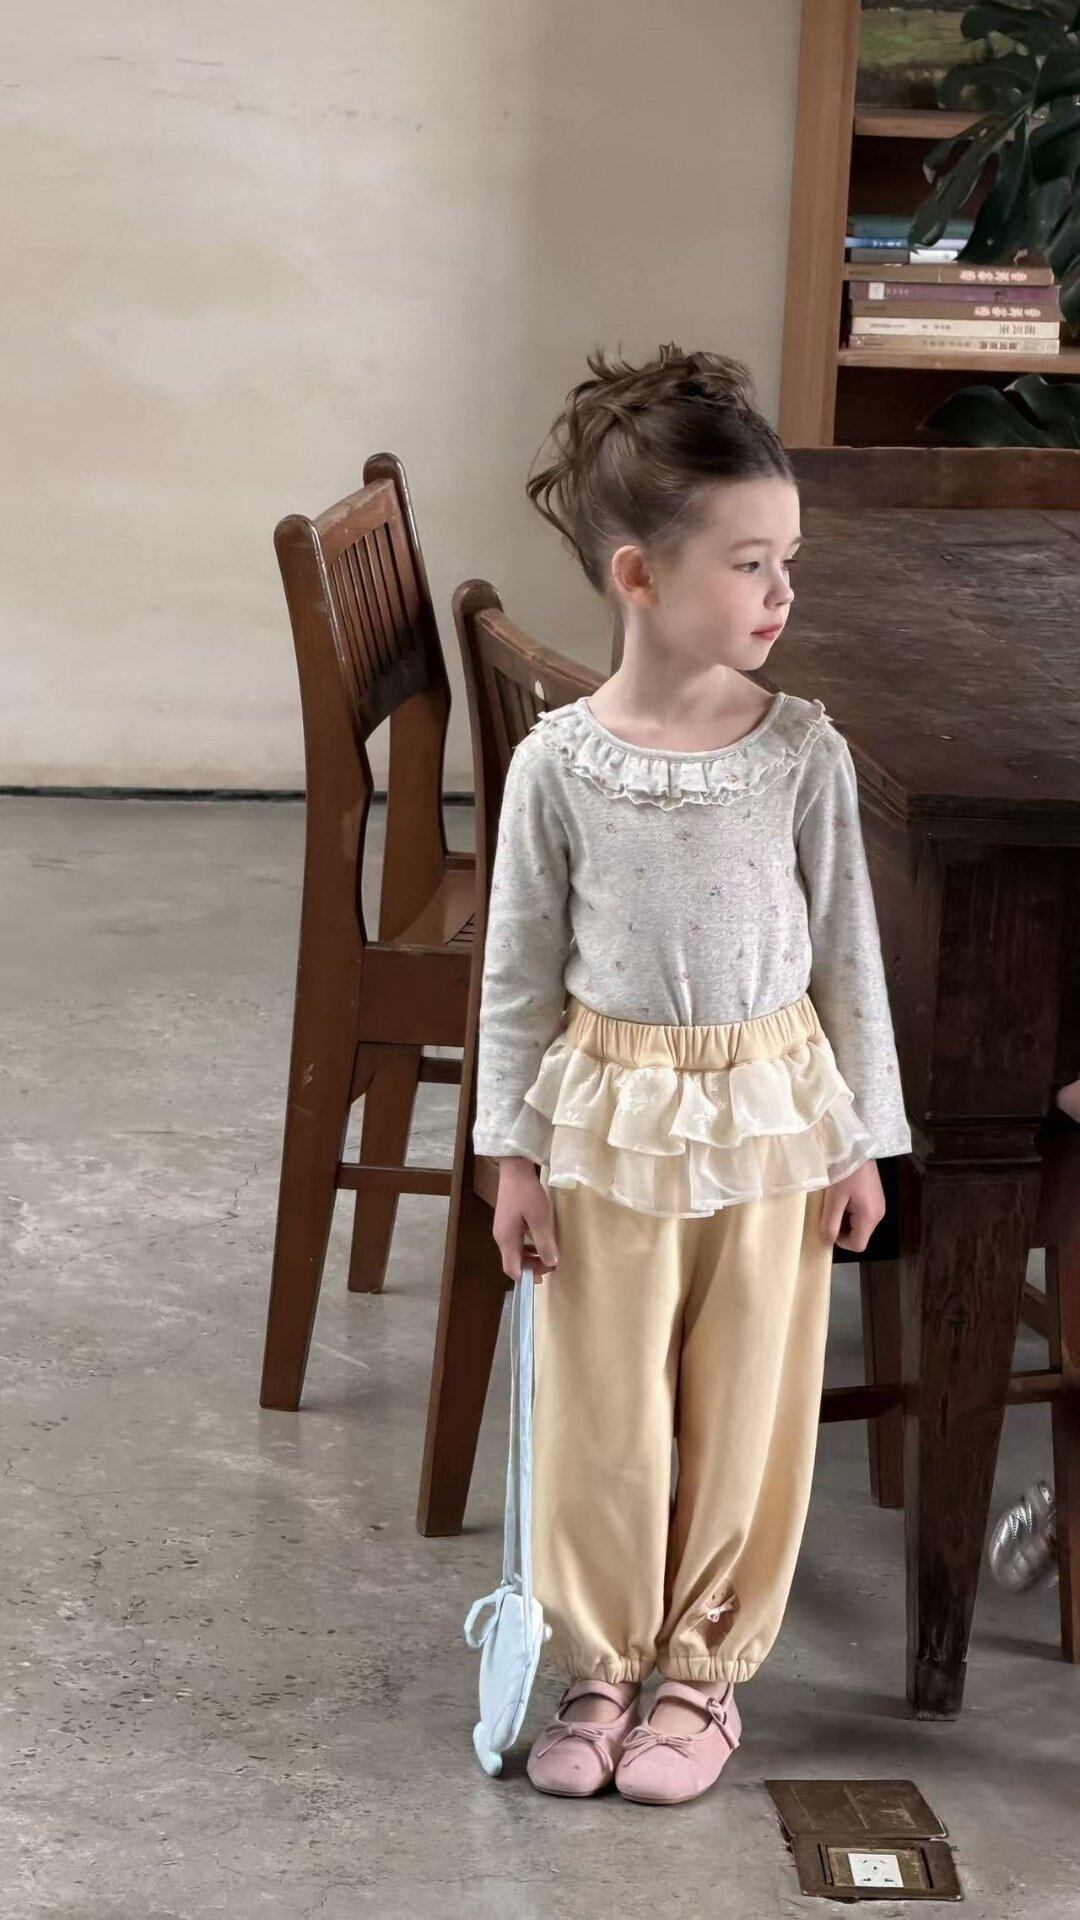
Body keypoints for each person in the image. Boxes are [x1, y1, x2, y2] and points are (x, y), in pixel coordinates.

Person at [471, 344, 913, 1806]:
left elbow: (848, 959)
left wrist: (863, 1142)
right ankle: (600, 1664)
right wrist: (510, 1155)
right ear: (640, 578)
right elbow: (518, 973)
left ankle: (701, 1674)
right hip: (606, 1117)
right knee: (602, 1402)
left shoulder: (802, 753)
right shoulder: (558, 767)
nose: (783, 593)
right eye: (750, 563)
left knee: (750, 1398)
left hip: (775, 1116)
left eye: (790, 562)